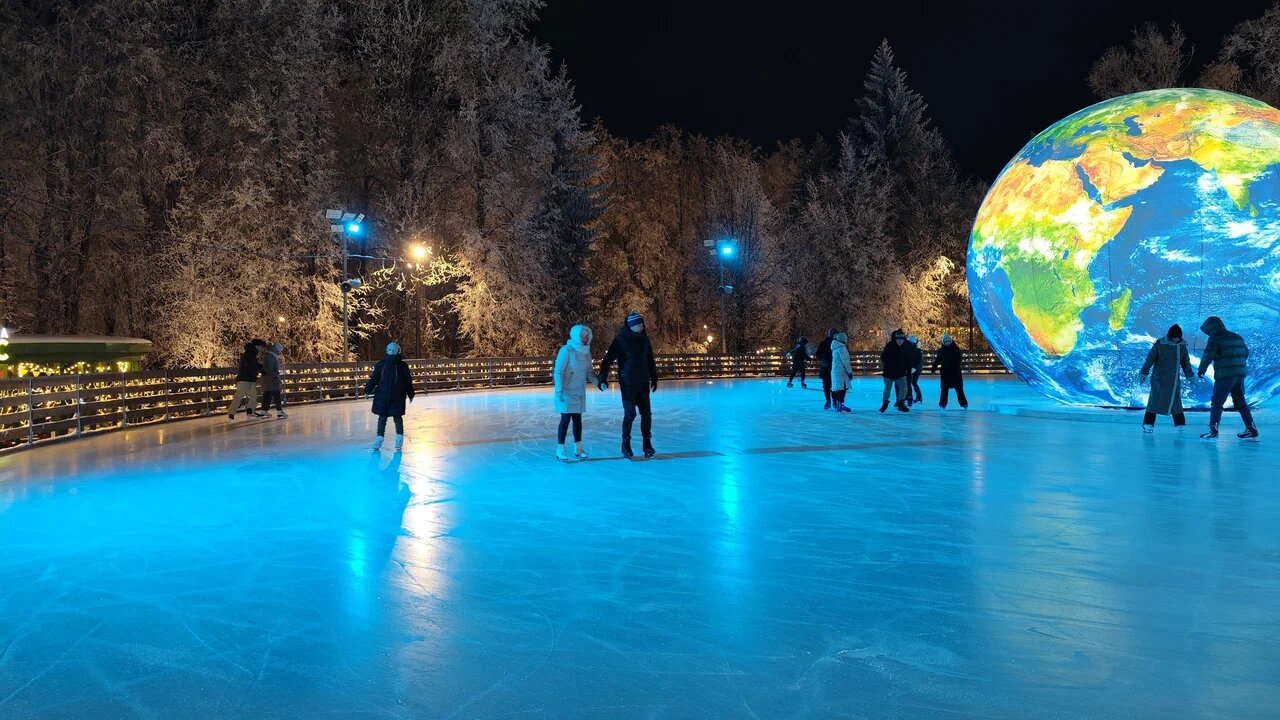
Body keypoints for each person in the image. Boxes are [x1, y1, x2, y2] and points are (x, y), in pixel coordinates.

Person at [598, 311, 659, 459]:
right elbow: (607, 360)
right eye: (638, 324)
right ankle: (625, 445)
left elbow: (650, 359)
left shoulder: (645, 340)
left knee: (646, 415)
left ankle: (647, 445)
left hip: (643, 382)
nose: (641, 326)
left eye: (642, 323)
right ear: (631, 326)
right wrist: (602, 379)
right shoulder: (620, 340)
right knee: (630, 414)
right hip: (628, 384)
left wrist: (654, 378)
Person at [1196, 316, 1258, 441]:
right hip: (1239, 374)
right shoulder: (1237, 337)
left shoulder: (1215, 338)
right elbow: (1245, 352)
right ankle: (1251, 428)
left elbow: (1208, 355)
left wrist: (1202, 370)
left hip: (1225, 374)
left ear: (1211, 327)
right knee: (1240, 401)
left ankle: (1213, 431)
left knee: (1217, 402)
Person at [554, 324, 602, 462]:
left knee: (577, 419)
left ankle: (578, 448)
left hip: (579, 391)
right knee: (565, 419)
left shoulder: (586, 352)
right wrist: (559, 390)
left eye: (586, 336)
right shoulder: (567, 350)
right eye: (582, 336)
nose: (585, 338)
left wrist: (598, 383)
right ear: (575, 336)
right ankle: (560, 448)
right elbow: (558, 371)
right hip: (566, 391)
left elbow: (589, 372)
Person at [1138, 324, 1193, 432]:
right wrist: (1143, 373)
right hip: (1159, 379)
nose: (1176, 340)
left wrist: (1190, 375)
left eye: (1178, 338)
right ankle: (1148, 423)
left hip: (1173, 380)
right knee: (1154, 401)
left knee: (1176, 402)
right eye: (1174, 338)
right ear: (1170, 336)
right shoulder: (1159, 344)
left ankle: (1180, 424)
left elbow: (1186, 362)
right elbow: (1150, 360)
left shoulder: (1181, 346)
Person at [363, 342, 417, 450]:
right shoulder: (381, 365)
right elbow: (374, 379)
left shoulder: (402, 366)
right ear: (387, 351)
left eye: (394, 350)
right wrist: (367, 390)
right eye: (390, 350)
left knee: (397, 417)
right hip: (382, 396)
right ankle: (379, 437)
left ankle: (399, 437)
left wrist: (411, 393)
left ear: (398, 351)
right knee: (382, 418)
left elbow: (407, 381)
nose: (392, 352)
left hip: (397, 396)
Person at [228, 338, 267, 420]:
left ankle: (250, 412)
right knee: (239, 396)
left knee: (254, 395)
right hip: (244, 379)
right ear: (257, 346)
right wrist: (260, 369)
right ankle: (231, 414)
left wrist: (261, 370)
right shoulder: (249, 353)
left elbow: (255, 365)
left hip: (251, 379)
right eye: (261, 347)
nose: (262, 349)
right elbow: (251, 365)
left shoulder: (253, 353)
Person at [932, 334, 968, 409]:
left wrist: (955, 365)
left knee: (959, 389)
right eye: (946, 341)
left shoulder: (956, 349)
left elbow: (959, 359)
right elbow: (938, 360)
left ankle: (964, 404)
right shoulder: (941, 351)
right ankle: (942, 404)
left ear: (951, 341)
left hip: (955, 373)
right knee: (944, 390)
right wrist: (933, 368)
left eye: (948, 341)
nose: (947, 342)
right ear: (943, 342)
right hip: (945, 373)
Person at [879, 329, 910, 413]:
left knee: (904, 387)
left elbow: (907, 359)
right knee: (887, 389)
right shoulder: (889, 346)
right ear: (895, 339)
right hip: (889, 372)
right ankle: (885, 403)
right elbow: (883, 358)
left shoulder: (905, 347)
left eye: (901, 340)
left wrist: (908, 367)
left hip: (900, 372)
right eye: (898, 340)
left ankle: (901, 404)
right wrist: (889, 364)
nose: (899, 341)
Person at [260, 342, 287, 419]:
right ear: (276, 350)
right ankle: (279, 412)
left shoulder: (269, 355)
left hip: (268, 379)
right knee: (277, 395)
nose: (279, 353)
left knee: (267, 395)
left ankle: (264, 411)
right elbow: (269, 369)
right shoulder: (269, 357)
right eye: (279, 351)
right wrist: (276, 377)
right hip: (271, 379)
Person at [830, 332, 853, 413]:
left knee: (837, 388)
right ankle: (840, 405)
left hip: (835, 371)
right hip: (841, 372)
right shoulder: (842, 348)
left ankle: (836, 403)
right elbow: (845, 361)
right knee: (842, 388)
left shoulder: (835, 348)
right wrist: (849, 372)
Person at [815, 328, 835, 409]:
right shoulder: (823, 344)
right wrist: (823, 360)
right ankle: (829, 400)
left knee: (833, 385)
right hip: (826, 368)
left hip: (834, 368)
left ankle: (833, 400)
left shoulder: (837, 344)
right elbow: (818, 353)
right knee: (827, 385)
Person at [905, 334, 924, 406]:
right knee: (913, 382)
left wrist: (915, 368)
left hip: (916, 369)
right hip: (914, 368)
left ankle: (910, 397)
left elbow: (919, 360)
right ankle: (918, 397)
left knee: (911, 382)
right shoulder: (913, 349)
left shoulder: (917, 350)